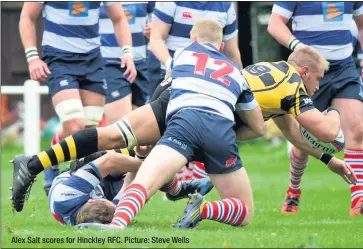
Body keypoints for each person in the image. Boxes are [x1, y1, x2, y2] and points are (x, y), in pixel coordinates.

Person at [11, 48, 357, 213]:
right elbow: (326, 130)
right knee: (234, 204)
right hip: (203, 114)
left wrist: (329, 162)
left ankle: (36, 163)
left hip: (180, 91)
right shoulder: (293, 85)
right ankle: (123, 202)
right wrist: (334, 111)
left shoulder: (270, 73)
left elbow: (293, 133)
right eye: (320, 80)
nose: (317, 87)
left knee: (114, 136)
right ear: (307, 72)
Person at [19, 2, 136, 195]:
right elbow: (27, 17)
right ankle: (54, 158)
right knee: (75, 125)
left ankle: (80, 190)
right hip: (59, 60)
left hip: (93, 60)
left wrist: (127, 53)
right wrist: (32, 57)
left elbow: (119, 18)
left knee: (90, 134)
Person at [268, 1, 363, 215]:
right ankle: (294, 190)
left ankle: (359, 198)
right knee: (304, 143)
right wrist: (298, 47)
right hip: (309, 72)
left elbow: (361, 25)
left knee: (356, 129)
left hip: (345, 69)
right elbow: (274, 23)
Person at [150, 1, 242, 85]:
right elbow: (156, 39)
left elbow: (232, 52)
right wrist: (171, 65)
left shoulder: (226, 5)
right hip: (173, 75)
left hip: (209, 79)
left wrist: (242, 81)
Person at [99, 2, 154, 124]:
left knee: (139, 133)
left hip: (140, 63)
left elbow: (159, 27)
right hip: (109, 63)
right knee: (121, 127)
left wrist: (154, 31)